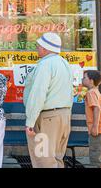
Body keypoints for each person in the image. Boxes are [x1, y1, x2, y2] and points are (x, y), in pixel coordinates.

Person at [24, 32, 73, 168]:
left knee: (43, 160)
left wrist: (30, 121)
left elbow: (38, 94)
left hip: (47, 118)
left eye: (38, 46)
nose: (37, 48)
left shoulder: (45, 65)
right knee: (57, 158)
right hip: (64, 115)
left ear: (45, 48)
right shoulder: (64, 63)